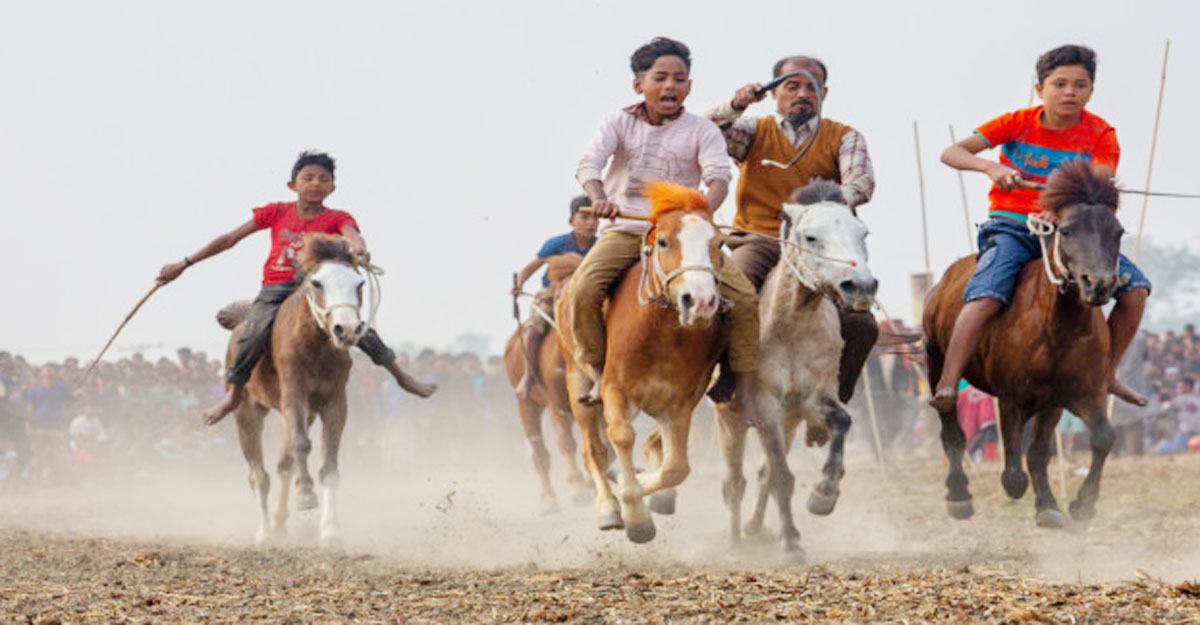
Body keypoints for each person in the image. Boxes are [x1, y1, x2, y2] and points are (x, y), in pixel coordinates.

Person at [930, 44, 1152, 411]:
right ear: (1040, 89)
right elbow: (952, 152)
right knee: (985, 294)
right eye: (1060, 83)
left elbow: (1096, 186)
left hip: (1074, 233)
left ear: (1091, 92)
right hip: (1013, 227)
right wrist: (991, 168)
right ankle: (949, 381)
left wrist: (1062, 209)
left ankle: (1106, 374)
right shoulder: (1016, 121)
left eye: (1080, 85)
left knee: (1135, 291)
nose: (1070, 92)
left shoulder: (1101, 134)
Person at [156, 151, 435, 425]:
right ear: (293, 184)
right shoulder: (275, 211)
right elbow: (230, 238)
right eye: (308, 177)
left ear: (332, 187)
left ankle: (401, 376)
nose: (315, 183)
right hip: (277, 288)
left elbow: (353, 236)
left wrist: (359, 249)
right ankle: (234, 393)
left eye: (323, 179)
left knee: (357, 327)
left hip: (316, 288)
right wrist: (184, 263)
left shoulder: (338, 217)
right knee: (252, 333)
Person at [569, 36, 762, 426]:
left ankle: (735, 382)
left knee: (743, 300)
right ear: (639, 84)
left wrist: (706, 207)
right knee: (583, 289)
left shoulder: (703, 130)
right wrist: (599, 195)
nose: (670, 85)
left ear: (689, 86)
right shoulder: (618, 122)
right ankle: (598, 369)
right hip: (626, 229)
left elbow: (719, 177)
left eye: (680, 78)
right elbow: (589, 165)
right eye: (661, 77)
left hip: (683, 235)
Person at [706, 54, 877, 402]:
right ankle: (729, 375)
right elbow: (704, 131)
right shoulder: (753, 131)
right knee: (730, 294)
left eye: (811, 87)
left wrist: (816, 210)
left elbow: (861, 183)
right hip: (759, 239)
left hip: (822, 248)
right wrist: (736, 104)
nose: (802, 93)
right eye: (791, 86)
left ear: (824, 93)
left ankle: (835, 399)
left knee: (862, 325)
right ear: (773, 93)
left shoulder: (845, 137)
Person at [510, 195, 598, 399]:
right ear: (572, 220)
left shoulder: (601, 246)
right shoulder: (557, 244)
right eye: (584, 218)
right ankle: (528, 376)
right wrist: (519, 284)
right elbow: (530, 268)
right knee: (533, 328)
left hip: (587, 295)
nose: (591, 223)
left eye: (595, 218)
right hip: (552, 294)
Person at [1155, 378, 1200, 455]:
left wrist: (1162, 395)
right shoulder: (1197, 399)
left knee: (1160, 449)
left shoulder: (1180, 399)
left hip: (1188, 437)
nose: (1178, 389)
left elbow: (1163, 408)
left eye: (1180, 387)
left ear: (1188, 388)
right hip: (1194, 436)